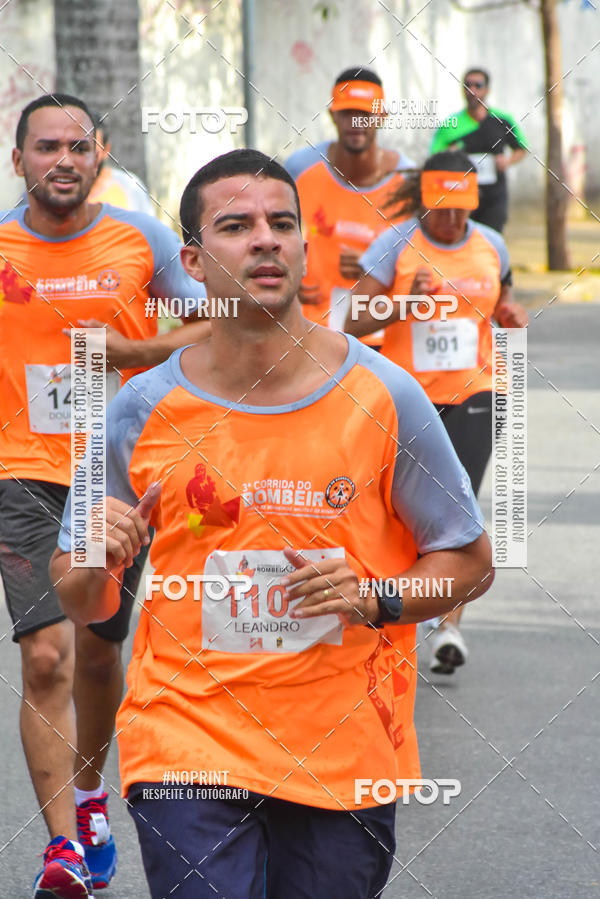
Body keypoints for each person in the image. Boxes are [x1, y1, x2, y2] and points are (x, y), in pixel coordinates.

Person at [51, 148, 494, 899]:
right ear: (191, 258)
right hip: (185, 737)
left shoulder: (385, 395)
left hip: (342, 747)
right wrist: (99, 555)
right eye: (236, 225)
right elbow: (82, 598)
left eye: (282, 223)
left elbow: (469, 561)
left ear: (301, 246)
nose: (266, 239)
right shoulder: (141, 407)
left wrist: (377, 595)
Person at [0, 92, 210, 897]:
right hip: (19, 472)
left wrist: (137, 346)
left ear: (102, 155)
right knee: (45, 653)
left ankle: (91, 792)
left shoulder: (144, 241)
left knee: (95, 651)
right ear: (18, 160)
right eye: (46, 146)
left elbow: (220, 317)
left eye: (78, 147)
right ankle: (62, 849)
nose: (63, 159)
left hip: (118, 473)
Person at [345, 150, 527, 675]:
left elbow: (503, 307)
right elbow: (352, 318)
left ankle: (448, 629)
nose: (449, 219)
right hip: (406, 398)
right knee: (399, 511)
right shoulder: (396, 243)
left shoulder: (492, 244)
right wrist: (401, 302)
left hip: (477, 394)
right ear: (424, 200)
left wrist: (512, 318)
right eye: (440, 208)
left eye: (460, 209)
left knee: (457, 506)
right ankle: (402, 607)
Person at [285, 67, 414, 346]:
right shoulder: (300, 168)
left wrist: (378, 267)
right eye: (347, 113)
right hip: (310, 331)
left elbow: (428, 260)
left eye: (365, 114)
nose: (356, 122)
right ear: (332, 115)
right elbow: (271, 235)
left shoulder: (409, 182)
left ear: (381, 117)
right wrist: (287, 281)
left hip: (380, 336)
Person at [430, 68, 527, 232]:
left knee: (491, 241)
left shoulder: (502, 120)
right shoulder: (451, 124)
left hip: (494, 195)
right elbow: (434, 157)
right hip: (461, 195)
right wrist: (449, 155)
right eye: (467, 85)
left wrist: (508, 161)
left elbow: (521, 149)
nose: (472, 90)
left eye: (478, 85)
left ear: (487, 90)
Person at [88, 110, 156, 215]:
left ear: (106, 150)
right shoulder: (59, 191)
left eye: (92, 149)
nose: (85, 158)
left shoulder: (129, 187)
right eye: (78, 149)